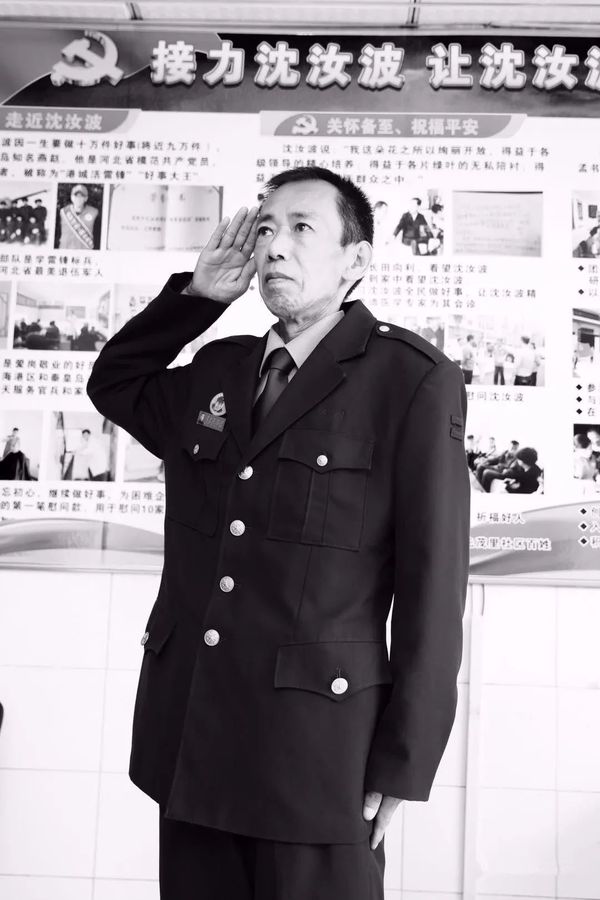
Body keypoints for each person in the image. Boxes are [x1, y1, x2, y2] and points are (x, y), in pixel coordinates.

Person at [86, 165, 470, 899]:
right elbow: (115, 383)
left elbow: (434, 584)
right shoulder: (218, 370)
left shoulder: (411, 381)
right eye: (264, 228)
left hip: (317, 757)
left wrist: (405, 759)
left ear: (355, 260)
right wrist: (198, 300)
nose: (274, 247)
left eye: (301, 228)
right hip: (193, 738)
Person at [56, 184, 100, 250]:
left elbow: (97, 236)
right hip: (65, 250)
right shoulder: (63, 212)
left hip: (85, 252)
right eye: (76, 196)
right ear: (71, 197)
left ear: (86, 198)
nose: (78, 199)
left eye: (81, 196)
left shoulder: (94, 213)